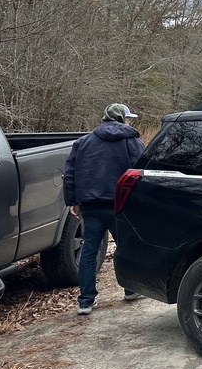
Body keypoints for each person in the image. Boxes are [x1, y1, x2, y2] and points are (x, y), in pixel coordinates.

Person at [62, 103, 145, 315]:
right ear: (120, 118)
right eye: (128, 118)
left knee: (89, 251)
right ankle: (131, 289)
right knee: (127, 247)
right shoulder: (131, 141)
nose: (129, 122)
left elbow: (70, 173)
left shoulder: (83, 142)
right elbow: (142, 169)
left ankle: (85, 301)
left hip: (91, 206)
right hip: (120, 205)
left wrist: (72, 201)